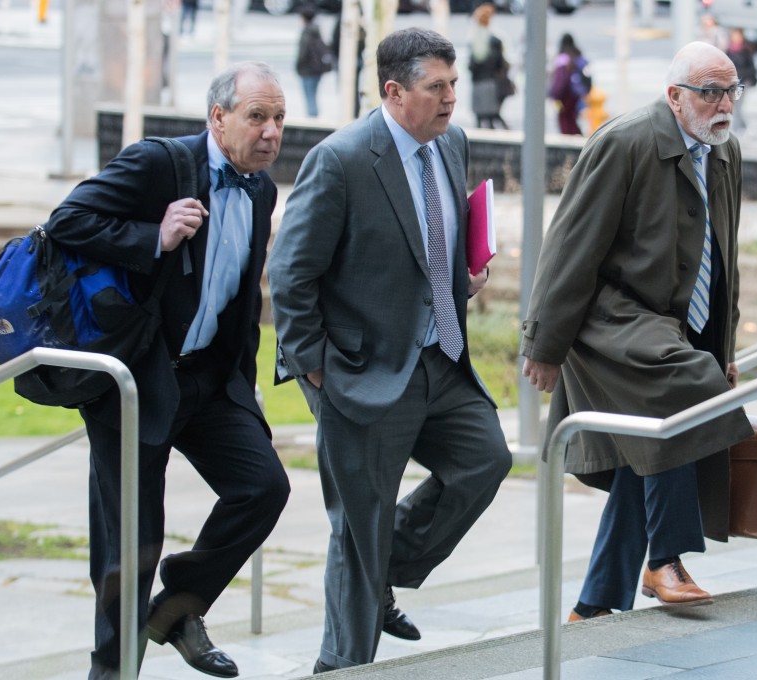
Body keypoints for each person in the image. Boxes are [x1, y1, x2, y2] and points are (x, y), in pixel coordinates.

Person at [268, 27, 512, 673]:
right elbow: (290, 276)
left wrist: (466, 273)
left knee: (486, 460)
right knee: (359, 526)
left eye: (455, 85)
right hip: (359, 370)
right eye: (437, 87)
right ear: (394, 91)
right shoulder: (341, 159)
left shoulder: (452, 142)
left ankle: (381, 572)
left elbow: (428, 240)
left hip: (441, 358)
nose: (452, 99)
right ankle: (342, 665)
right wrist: (316, 366)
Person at [45, 61, 291, 679]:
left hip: (209, 380)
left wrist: (243, 386)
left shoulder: (261, 189)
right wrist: (153, 236)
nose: (270, 132)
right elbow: (67, 222)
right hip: (135, 379)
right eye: (256, 116)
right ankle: (112, 670)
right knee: (131, 543)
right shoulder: (159, 163)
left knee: (264, 487)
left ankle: (178, 607)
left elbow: (241, 297)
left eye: (278, 118)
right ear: (219, 118)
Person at [520, 41, 754, 622]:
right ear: (675, 96)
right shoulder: (624, 142)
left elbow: (724, 257)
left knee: (642, 451)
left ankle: (595, 602)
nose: (723, 104)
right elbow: (569, 249)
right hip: (612, 318)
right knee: (680, 393)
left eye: (731, 91)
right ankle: (665, 559)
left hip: (677, 326)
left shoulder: (726, 153)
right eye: (709, 92)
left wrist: (721, 348)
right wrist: (544, 345)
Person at [468, 2, 510, 129]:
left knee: (480, 119)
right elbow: (501, 64)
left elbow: (471, 66)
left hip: (478, 84)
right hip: (492, 83)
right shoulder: (496, 40)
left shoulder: (473, 39)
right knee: (494, 116)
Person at [296, 5, 333, 118]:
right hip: (317, 70)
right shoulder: (317, 31)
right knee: (313, 95)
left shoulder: (306, 33)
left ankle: (312, 118)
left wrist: (298, 67)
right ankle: (314, 116)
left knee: (309, 97)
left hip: (307, 70)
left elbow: (302, 54)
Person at [548, 33, 588, 135]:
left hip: (564, 96)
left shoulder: (562, 58)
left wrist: (554, 95)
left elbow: (560, 81)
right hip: (576, 94)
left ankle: (569, 141)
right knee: (572, 118)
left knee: (564, 118)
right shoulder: (577, 54)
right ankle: (577, 137)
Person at [725, 27, 757, 132]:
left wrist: (743, 74)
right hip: (731, 83)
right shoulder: (728, 50)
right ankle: (741, 126)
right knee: (733, 105)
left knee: (738, 105)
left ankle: (739, 128)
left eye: (737, 35)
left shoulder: (746, 51)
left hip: (743, 82)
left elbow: (751, 68)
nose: (736, 38)